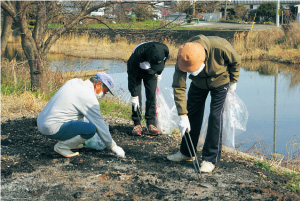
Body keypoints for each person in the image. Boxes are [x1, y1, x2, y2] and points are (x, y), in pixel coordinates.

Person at [167, 35, 241, 173]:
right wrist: (182, 115)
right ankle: (186, 152)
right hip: (198, 83)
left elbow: (236, 60)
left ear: (204, 59)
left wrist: (234, 81)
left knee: (215, 116)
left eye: (194, 68)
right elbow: (179, 86)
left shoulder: (220, 46)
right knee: (191, 113)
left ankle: (209, 159)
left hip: (220, 81)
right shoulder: (184, 56)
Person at [37, 72, 125, 158]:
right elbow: (99, 124)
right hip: (51, 128)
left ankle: (71, 142)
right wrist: (113, 146)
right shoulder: (88, 97)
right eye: (104, 92)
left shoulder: (74, 82)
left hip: (42, 121)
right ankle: (62, 147)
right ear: (98, 84)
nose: (103, 95)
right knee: (90, 129)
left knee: (82, 119)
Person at [127, 42, 169, 136]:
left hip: (151, 72)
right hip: (137, 72)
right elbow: (131, 75)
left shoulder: (164, 50)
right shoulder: (137, 55)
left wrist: (159, 73)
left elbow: (163, 61)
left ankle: (150, 123)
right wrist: (133, 94)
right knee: (137, 98)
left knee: (151, 96)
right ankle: (137, 124)